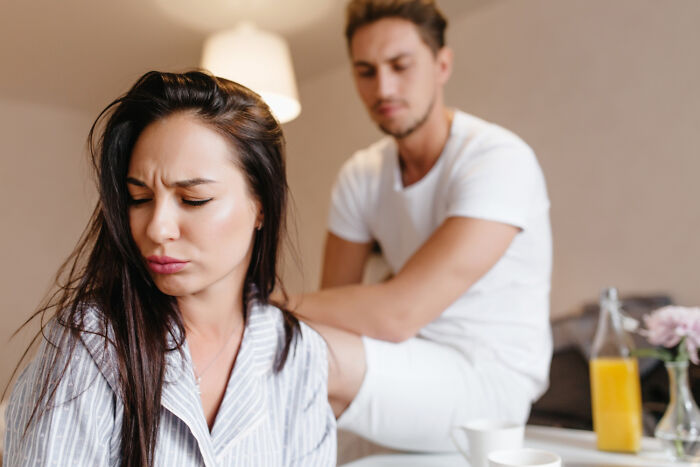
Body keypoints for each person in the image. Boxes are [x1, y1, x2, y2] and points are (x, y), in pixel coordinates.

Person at [4, 71, 335, 466]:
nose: (157, 228)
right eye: (139, 198)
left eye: (193, 199)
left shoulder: (298, 355)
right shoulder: (92, 344)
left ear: (260, 204)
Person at [294, 0, 553, 452]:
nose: (384, 87)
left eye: (400, 65)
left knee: (308, 349)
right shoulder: (360, 175)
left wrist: (257, 301)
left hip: (490, 382)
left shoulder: (497, 159)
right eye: (366, 71)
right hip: (410, 362)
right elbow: (333, 302)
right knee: (285, 343)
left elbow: (397, 315)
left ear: (442, 64)